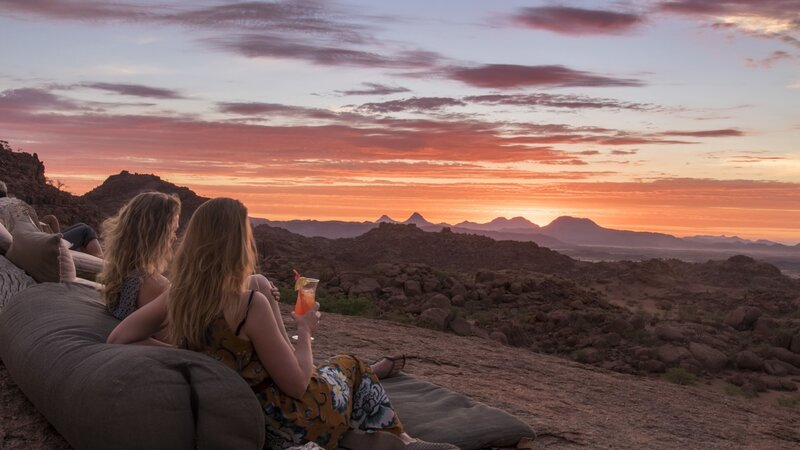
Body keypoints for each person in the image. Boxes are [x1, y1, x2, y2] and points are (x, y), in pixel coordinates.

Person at [107, 198, 455, 450]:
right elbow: (298, 385)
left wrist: (191, 358)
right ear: (238, 243)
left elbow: (119, 337)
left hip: (245, 409)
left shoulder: (178, 296)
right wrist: (305, 330)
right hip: (285, 422)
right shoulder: (247, 307)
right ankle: (406, 441)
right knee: (352, 365)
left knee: (326, 365)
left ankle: (357, 438)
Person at [98, 192, 181, 328]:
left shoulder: (119, 273)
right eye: (173, 230)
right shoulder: (155, 285)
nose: (175, 238)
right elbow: (169, 340)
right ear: (156, 236)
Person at [0, 179, 103, 258]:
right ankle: (102, 265)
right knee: (85, 230)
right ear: (5, 194)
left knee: (80, 225)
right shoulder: (8, 207)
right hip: (39, 249)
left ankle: (93, 259)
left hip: (34, 244)